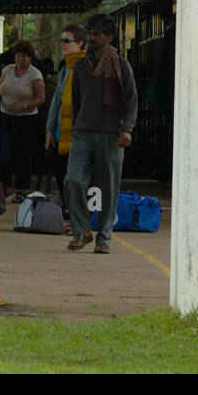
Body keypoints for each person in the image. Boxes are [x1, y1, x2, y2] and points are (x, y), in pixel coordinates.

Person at [63, 13, 137, 254]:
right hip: (83, 132)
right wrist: (76, 127)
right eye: (90, 34)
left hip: (111, 135)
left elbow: (131, 101)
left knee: (108, 187)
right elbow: (75, 98)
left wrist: (126, 129)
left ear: (109, 37)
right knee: (73, 180)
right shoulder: (82, 67)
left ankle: (103, 238)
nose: (92, 38)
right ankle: (82, 230)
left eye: (96, 34)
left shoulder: (121, 66)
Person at [44, 24, 86, 228]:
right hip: (61, 131)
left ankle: (78, 215)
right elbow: (56, 100)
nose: (63, 44)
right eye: (61, 40)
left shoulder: (87, 66)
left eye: (67, 41)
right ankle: (70, 209)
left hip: (79, 131)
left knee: (76, 176)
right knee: (60, 171)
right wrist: (49, 129)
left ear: (80, 43)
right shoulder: (66, 67)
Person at [0, 39, 45, 200]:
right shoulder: (7, 70)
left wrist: (24, 106)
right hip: (5, 116)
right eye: (18, 55)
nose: (21, 59)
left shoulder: (35, 74)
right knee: (4, 151)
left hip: (26, 119)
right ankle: (4, 186)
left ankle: (22, 190)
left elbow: (40, 98)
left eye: (24, 56)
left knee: (23, 154)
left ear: (30, 58)